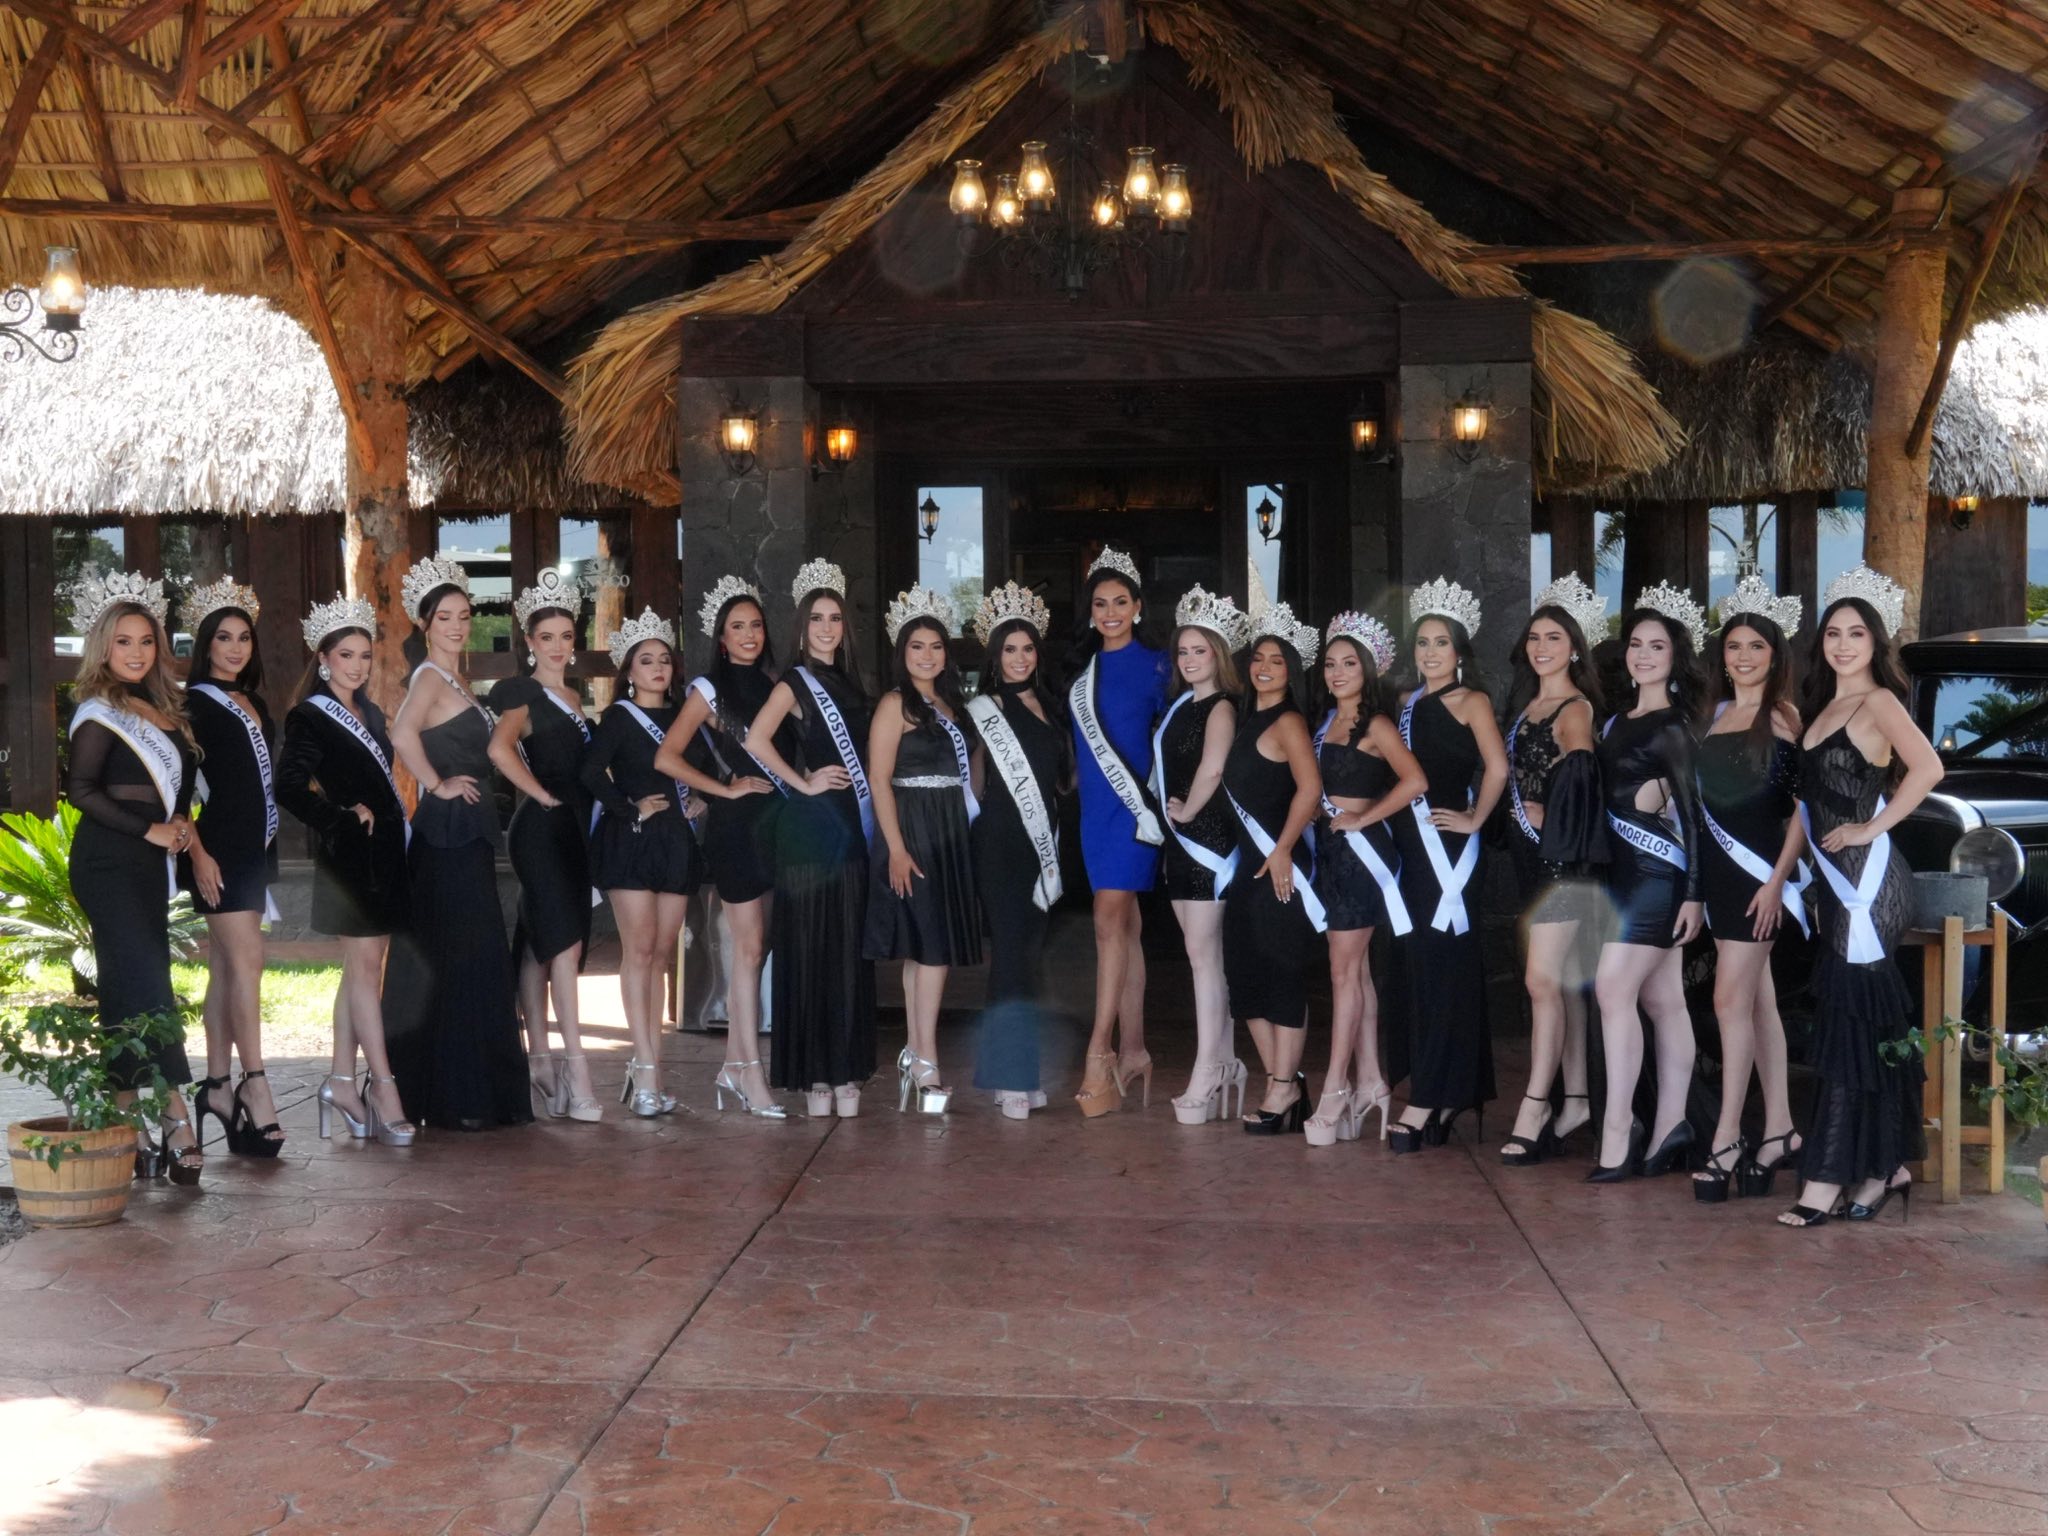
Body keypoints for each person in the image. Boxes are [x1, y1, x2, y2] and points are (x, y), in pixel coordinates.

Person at [1780, 567, 1943, 1228]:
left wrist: (1872, 828)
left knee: (1851, 1026)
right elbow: (1809, 806)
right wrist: (1789, 879)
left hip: (1872, 887)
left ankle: (1827, 1179)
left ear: (1875, 642)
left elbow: (1928, 767)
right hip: (1834, 886)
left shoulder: (1878, 703)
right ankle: (1884, 1167)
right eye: (1833, 633)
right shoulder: (1820, 711)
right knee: (1861, 1027)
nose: (1843, 644)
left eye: (1856, 633)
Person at [63, 570, 207, 1185]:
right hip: (108, 861)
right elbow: (81, 790)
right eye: (123, 641)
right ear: (103, 647)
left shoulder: (164, 706)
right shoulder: (99, 712)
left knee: (129, 989)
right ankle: (176, 1118)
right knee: (148, 984)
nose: (136, 652)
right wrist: (149, 829)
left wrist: (180, 827)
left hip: (148, 865)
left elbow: (178, 790)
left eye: (146, 641)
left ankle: (124, 1127)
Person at [382, 557, 531, 1132]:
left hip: (467, 833)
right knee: (461, 957)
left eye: (464, 616)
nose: (457, 626)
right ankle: (457, 1095)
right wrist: (436, 783)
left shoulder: (455, 681)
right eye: (444, 617)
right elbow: (402, 733)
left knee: (471, 956)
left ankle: (470, 1092)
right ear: (425, 624)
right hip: (446, 835)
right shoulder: (427, 677)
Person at [276, 594, 416, 1146]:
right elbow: (288, 786)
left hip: (384, 854)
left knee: (363, 971)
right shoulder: (309, 715)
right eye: (345, 655)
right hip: (351, 857)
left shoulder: (372, 713)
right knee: (363, 971)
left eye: (364, 656)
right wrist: (338, 817)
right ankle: (383, 1087)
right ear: (323, 659)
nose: (357, 666)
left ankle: (340, 1080)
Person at [1694, 574, 1809, 1203]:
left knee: (1727, 1002)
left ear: (1775, 655)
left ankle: (1728, 1136)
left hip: (1759, 879)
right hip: (1718, 878)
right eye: (1734, 646)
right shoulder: (1712, 717)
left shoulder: (1783, 718)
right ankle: (1782, 1129)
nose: (1743, 656)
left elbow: (1800, 813)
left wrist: (1776, 882)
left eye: (1756, 647)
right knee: (1757, 1004)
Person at [748, 561, 875, 1118]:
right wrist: (801, 783)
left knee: (846, 947)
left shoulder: (854, 682)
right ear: (801, 627)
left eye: (835, 618)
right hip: (810, 828)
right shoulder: (794, 682)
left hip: (851, 825)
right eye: (817, 618)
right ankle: (815, 1075)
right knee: (809, 947)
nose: (827, 627)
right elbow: (756, 740)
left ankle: (846, 1070)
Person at [1589, 586, 1709, 1181]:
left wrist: (1695, 894)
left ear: (1675, 657)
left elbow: (1692, 816)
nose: (1643, 654)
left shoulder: (1673, 728)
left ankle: (1619, 1129)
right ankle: (1671, 1125)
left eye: (1657, 646)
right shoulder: (1617, 722)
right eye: (1636, 644)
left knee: (1612, 990)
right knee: (1663, 1001)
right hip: (1619, 875)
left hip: (1658, 879)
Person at [655, 576, 785, 1118]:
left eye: (756, 625)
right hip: (736, 829)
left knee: (760, 948)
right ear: (722, 638)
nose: (749, 635)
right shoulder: (708, 690)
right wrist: (722, 790)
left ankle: (734, 1066)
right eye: (738, 627)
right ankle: (751, 1073)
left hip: (776, 826)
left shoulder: (778, 685)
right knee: (748, 951)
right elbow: (667, 756)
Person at [1387, 579, 1507, 1153]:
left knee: (1446, 967)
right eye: (1422, 643)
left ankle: (1432, 1094)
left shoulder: (1472, 702)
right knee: (1419, 968)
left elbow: (1497, 768)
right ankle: (1447, 1087)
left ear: (1459, 650)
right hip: (1410, 852)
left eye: (1441, 642)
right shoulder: (1405, 705)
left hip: (1451, 855)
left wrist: (1475, 819)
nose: (1430, 652)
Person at [1498, 577, 1609, 1167]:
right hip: (1527, 859)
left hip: (1561, 863)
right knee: (1562, 982)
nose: (1542, 647)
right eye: (1535, 637)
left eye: (1555, 638)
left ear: (1574, 649)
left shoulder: (1575, 708)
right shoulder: (1527, 707)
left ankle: (1535, 1106)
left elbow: (1582, 769)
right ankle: (1579, 1099)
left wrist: (1553, 804)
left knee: (1540, 983)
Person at [1306, 611, 1427, 1146]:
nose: (1337, 672)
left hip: (1362, 857)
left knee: (1343, 973)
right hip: (1330, 854)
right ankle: (1373, 1081)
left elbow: (1415, 780)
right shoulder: (1324, 723)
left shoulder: (1377, 725)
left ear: (1368, 669)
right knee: (1355, 973)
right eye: (1330, 663)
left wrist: (1364, 817)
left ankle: (1335, 1087)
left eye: (1348, 664)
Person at [487, 569, 601, 1124]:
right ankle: (576, 1070)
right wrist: (540, 795)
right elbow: (498, 749)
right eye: (547, 636)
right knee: (565, 947)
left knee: (538, 943)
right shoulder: (524, 694)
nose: (558, 646)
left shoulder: (575, 697)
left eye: (566, 636)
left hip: (574, 830)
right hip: (541, 829)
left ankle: (539, 1063)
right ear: (530, 641)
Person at [864, 587, 983, 1112]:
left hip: (949, 830)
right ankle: (926, 1060)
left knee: (925, 948)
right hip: (912, 829)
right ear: (902, 651)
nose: (927, 655)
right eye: (917, 646)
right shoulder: (894, 704)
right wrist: (895, 847)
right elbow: (878, 778)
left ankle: (915, 1054)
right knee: (931, 947)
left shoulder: (952, 705)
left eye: (936, 646)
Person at [178, 579, 284, 1157]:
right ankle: (255, 1084)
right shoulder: (191, 704)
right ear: (206, 644)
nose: (236, 648)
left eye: (244, 638)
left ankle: (218, 1085)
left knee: (224, 967)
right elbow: (177, 792)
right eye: (224, 638)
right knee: (249, 961)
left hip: (255, 848)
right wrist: (197, 853)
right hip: (217, 850)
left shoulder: (256, 703)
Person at [582, 608, 699, 1118]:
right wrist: (629, 808)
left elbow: (708, 767)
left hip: (675, 840)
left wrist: (703, 799)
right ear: (629, 669)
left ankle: (650, 1066)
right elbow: (591, 771)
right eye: (646, 660)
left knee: (662, 954)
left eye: (664, 660)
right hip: (630, 840)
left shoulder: (685, 717)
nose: (657, 668)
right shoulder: (618, 717)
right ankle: (645, 1064)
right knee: (641, 949)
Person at [1066, 546, 1171, 1117]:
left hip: (1134, 815)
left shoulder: (1160, 666)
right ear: (1090, 611)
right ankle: (1135, 1049)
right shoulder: (1080, 674)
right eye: (1101, 603)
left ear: (1137, 607)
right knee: (1126, 928)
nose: (1111, 612)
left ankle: (1098, 1051)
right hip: (1094, 815)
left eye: (1120, 602)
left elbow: (1181, 733)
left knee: (1107, 921)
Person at [965, 582, 1069, 1120]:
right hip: (1002, 845)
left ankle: (1012, 1072)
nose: (1020, 658)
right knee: (1008, 957)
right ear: (995, 655)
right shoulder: (982, 711)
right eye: (1009, 649)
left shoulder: (1051, 707)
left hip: (1042, 847)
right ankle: (1010, 1077)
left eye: (1027, 648)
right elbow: (973, 785)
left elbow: (1062, 781)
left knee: (1026, 961)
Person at [1227, 605, 1327, 1135]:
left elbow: (1310, 789)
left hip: (1282, 866)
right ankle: (1280, 1081)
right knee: (1245, 979)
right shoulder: (1248, 720)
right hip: (1248, 868)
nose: (1264, 667)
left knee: (1282, 974)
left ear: (1292, 671)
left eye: (1277, 661)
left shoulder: (1289, 721)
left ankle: (1284, 1086)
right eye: (1258, 659)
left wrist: (1284, 848)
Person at [1153, 586, 1249, 1125]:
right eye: (1183, 652)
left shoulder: (1222, 707)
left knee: (1203, 956)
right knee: (1202, 957)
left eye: (1199, 651)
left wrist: (1186, 812)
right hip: (1181, 842)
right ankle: (1226, 1060)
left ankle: (1208, 1067)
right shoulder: (1180, 708)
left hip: (1208, 842)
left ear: (1219, 654)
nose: (1189, 660)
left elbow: (1213, 769)